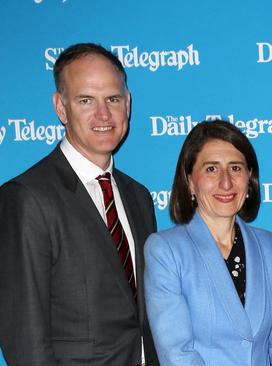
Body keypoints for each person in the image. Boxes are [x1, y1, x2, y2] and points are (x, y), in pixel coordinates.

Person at [0, 43, 158, 365]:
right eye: (86, 100)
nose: (103, 114)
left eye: (112, 99)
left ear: (127, 104)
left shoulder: (138, 197)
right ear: (61, 108)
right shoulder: (27, 197)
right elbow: (24, 335)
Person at [144, 120, 272, 365]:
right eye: (211, 169)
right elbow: (177, 353)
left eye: (236, 168)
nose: (226, 182)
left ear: (249, 178)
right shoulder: (166, 251)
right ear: (190, 181)